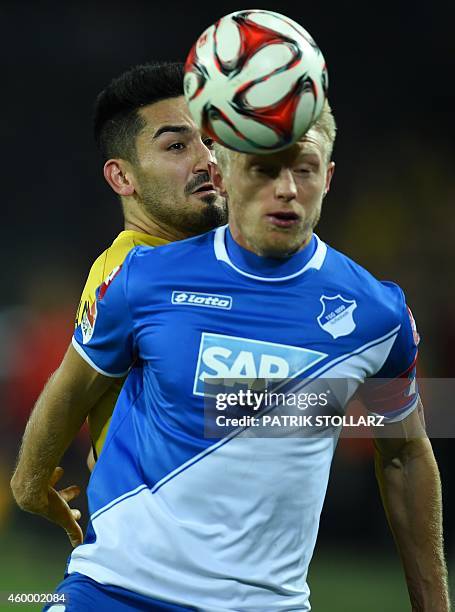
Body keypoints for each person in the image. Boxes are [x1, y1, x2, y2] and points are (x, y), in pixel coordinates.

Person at [11, 102, 449, 611]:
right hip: (112, 589)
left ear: (327, 178)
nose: (286, 188)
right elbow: (71, 388)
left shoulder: (378, 314)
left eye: (304, 169)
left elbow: (404, 452)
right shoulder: (143, 277)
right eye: (263, 169)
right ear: (225, 173)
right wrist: (28, 483)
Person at [76, 60, 227, 467]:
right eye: (177, 146)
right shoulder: (128, 273)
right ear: (123, 179)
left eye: (211, 142)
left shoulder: (220, 263)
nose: (206, 161)